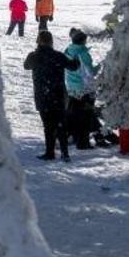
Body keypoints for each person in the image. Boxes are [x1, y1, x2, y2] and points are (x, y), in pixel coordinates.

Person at [24, 30, 80, 161]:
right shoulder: (58, 56)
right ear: (51, 41)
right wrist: (76, 59)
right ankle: (65, 153)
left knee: (48, 126)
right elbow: (73, 67)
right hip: (58, 95)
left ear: (38, 41)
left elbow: (26, 66)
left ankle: (50, 152)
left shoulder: (34, 56)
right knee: (61, 124)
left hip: (42, 96)